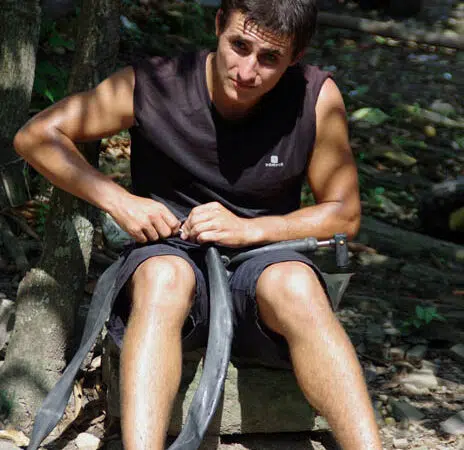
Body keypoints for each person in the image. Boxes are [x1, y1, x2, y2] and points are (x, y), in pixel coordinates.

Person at [14, 0, 383, 448]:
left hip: (264, 266)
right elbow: (37, 135)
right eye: (239, 46)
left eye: (270, 58)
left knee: (296, 285)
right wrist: (119, 201)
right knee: (164, 277)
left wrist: (250, 229)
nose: (247, 71)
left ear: (296, 57)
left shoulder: (314, 97)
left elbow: (344, 213)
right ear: (218, 25)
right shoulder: (156, 84)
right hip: (171, 255)